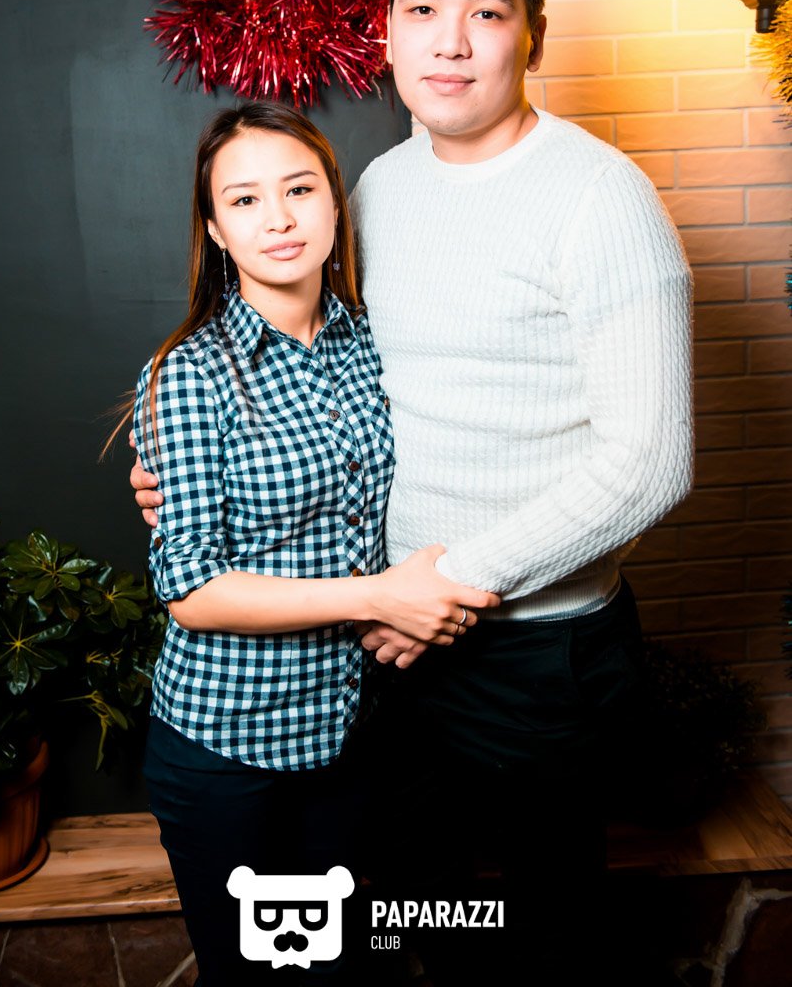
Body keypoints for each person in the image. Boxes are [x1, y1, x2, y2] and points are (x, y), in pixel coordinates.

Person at [133, 0, 694, 985]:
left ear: (533, 34)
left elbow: (649, 462)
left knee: (539, 943)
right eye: (424, 10)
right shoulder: (377, 190)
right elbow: (321, 382)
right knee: (414, 931)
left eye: (487, 12)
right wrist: (183, 473)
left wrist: (445, 585)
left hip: (529, 657)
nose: (451, 41)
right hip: (388, 657)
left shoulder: (601, 199)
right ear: (387, 32)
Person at [124, 100, 498, 987]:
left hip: (351, 737)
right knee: (258, 977)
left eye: (299, 190)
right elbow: (191, 590)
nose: (279, 218)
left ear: (336, 205)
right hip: (230, 753)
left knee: (343, 967)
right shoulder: (190, 373)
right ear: (216, 230)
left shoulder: (376, 341)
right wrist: (379, 596)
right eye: (245, 200)